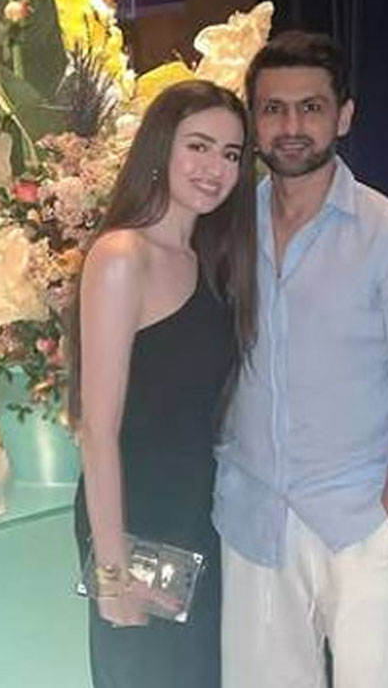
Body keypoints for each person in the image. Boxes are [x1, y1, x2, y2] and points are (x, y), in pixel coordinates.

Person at [214, 31, 388, 688]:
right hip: (254, 520)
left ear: (344, 116)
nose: (291, 126)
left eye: (311, 107)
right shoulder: (225, 231)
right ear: (254, 121)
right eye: (273, 109)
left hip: (360, 521)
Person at [69, 79, 257, 688]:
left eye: (230, 154)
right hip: (135, 517)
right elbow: (98, 430)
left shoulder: (211, 260)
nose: (214, 168)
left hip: (197, 514)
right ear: (161, 147)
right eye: (198, 146)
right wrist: (113, 573)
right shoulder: (123, 255)